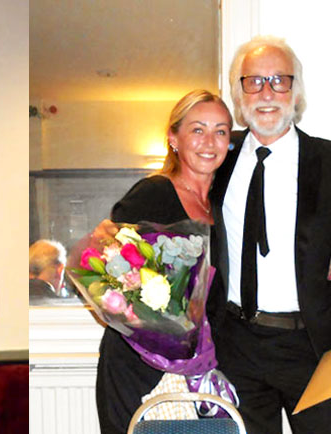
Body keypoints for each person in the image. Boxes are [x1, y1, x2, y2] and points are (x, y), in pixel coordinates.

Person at [207, 35, 331, 433]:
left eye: (279, 80)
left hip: (314, 346)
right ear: (238, 92)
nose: (267, 92)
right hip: (235, 346)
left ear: (296, 90)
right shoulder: (217, 159)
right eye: (254, 81)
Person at [93, 89, 232, 432]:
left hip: (199, 367)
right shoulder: (153, 192)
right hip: (138, 364)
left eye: (221, 131)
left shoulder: (220, 204)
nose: (209, 141)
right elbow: (104, 258)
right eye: (197, 129)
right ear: (173, 137)